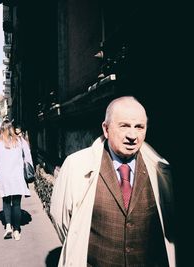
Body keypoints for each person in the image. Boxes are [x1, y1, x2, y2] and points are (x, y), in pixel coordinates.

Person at [50, 96, 175, 266]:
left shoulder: (160, 169)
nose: (132, 135)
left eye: (139, 127)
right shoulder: (76, 166)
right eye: (124, 126)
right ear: (106, 129)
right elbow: (62, 221)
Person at [0, 120, 32, 241]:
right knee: (16, 204)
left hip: (4, 178)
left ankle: (8, 226)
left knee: (5, 202)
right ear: (12, 129)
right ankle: (16, 230)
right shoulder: (20, 141)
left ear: (2, 130)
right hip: (17, 177)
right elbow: (28, 157)